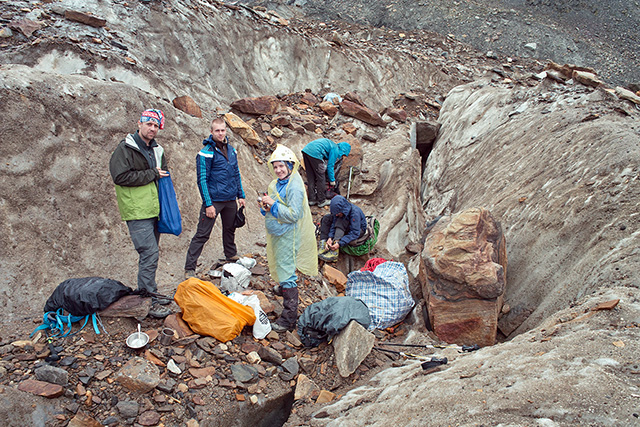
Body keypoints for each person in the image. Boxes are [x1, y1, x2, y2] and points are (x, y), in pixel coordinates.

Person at [109, 109, 171, 318]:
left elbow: (163, 176)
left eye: (156, 126)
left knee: (151, 254)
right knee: (149, 253)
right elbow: (120, 176)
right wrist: (151, 174)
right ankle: (147, 300)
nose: (152, 129)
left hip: (154, 208)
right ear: (140, 123)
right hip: (136, 210)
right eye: (149, 124)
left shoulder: (157, 150)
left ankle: (150, 292)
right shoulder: (125, 149)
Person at [260, 145, 318, 332]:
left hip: (288, 235)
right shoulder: (276, 184)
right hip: (277, 233)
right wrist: (265, 206)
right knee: (281, 265)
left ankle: (288, 318)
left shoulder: (295, 186)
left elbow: (294, 214)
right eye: (275, 166)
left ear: (290, 165)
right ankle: (283, 288)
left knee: (287, 271)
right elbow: (270, 207)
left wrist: (273, 204)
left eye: (282, 166)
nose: (278, 170)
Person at [184, 118, 246, 278]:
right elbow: (202, 180)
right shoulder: (205, 152)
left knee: (230, 229)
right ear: (211, 132)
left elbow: (236, 173)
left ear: (226, 131)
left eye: (223, 130)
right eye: (217, 130)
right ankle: (189, 268)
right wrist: (208, 204)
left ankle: (230, 255)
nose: (220, 133)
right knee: (202, 234)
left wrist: (241, 195)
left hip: (230, 199)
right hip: (214, 201)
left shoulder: (232, 150)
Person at [301, 138, 351, 208]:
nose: (342, 156)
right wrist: (332, 180)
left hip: (306, 151)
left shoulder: (332, 146)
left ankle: (312, 199)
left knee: (311, 176)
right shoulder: (335, 149)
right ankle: (321, 201)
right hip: (315, 153)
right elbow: (330, 166)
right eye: (343, 155)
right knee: (321, 178)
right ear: (343, 150)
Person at [318, 195, 367, 262]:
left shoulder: (355, 213)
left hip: (358, 230)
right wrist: (330, 237)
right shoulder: (339, 212)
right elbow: (334, 223)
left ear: (343, 209)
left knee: (341, 222)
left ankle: (334, 251)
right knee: (327, 218)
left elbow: (355, 232)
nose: (336, 215)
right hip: (345, 224)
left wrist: (340, 243)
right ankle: (323, 244)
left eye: (338, 213)